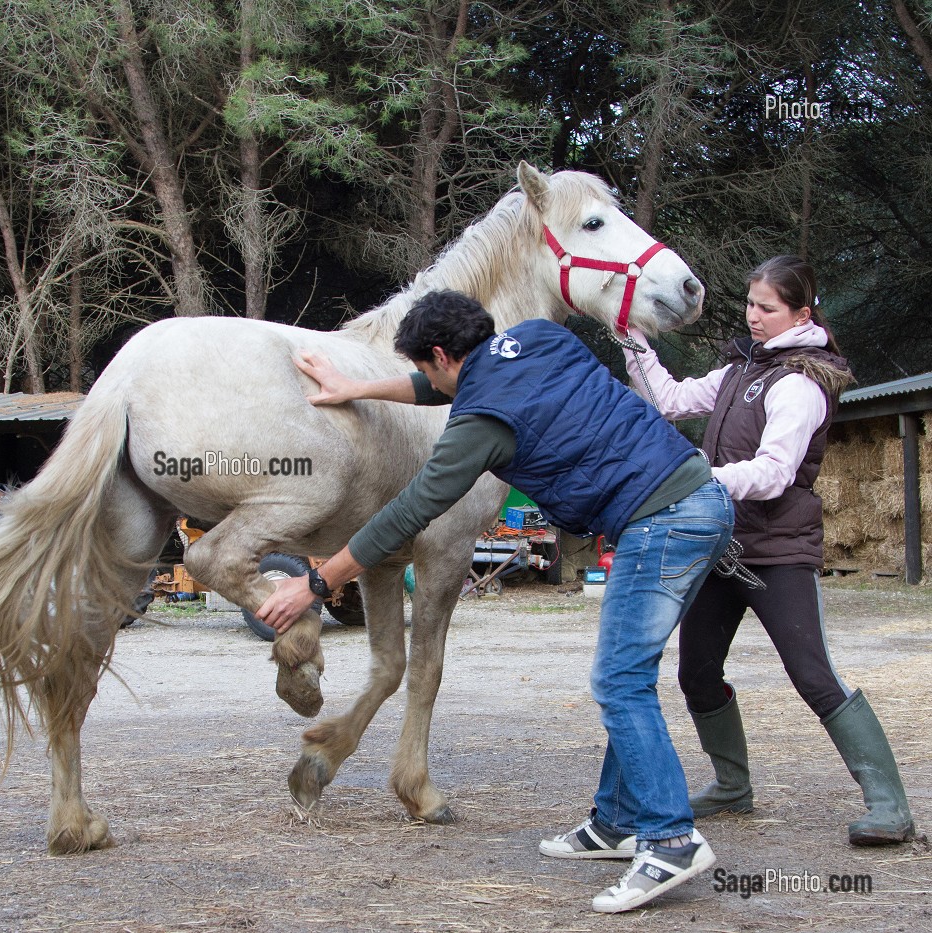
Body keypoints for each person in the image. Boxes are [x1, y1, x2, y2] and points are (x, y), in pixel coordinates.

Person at [258, 289, 733, 914]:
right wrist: (356, 388)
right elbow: (445, 386)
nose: (432, 383)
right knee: (630, 676)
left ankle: (671, 840)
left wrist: (316, 582)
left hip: (663, 521)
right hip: (694, 500)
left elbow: (409, 511)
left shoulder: (480, 424)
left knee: (619, 682)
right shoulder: (537, 338)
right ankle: (617, 822)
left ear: (440, 354)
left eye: (427, 366)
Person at [623, 255, 916, 846]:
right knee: (697, 674)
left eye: (768, 308)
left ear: (801, 314)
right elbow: (673, 398)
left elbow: (776, 472)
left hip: (779, 551)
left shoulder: (802, 382)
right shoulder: (740, 369)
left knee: (813, 675)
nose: (753, 317)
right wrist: (630, 340)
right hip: (721, 550)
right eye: (750, 304)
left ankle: (890, 805)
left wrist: (701, 477)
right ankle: (732, 788)